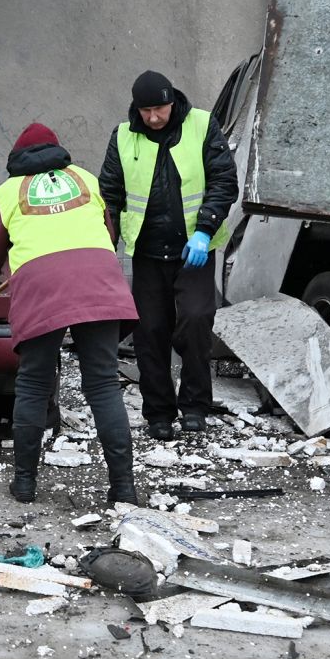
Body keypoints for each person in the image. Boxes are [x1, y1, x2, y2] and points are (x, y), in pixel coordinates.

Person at [0, 123, 140, 505]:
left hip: (42, 290)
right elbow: (108, 234)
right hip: (99, 283)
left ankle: (25, 484)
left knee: (33, 385)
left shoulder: (9, 193)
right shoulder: (86, 179)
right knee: (104, 385)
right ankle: (123, 489)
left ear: (16, 160)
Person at [98, 71, 238, 442]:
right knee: (150, 331)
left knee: (195, 321)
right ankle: (158, 412)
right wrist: (104, 244)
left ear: (172, 102)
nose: (154, 118)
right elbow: (109, 192)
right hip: (146, 250)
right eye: (146, 111)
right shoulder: (124, 135)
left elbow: (224, 180)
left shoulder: (202, 124)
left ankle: (194, 406)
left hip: (194, 250)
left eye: (159, 109)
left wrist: (205, 230)